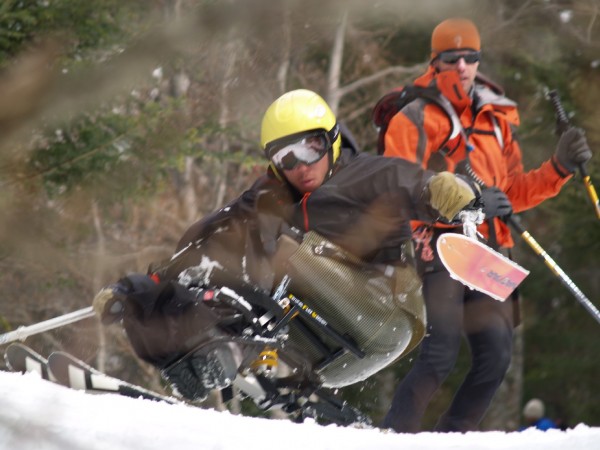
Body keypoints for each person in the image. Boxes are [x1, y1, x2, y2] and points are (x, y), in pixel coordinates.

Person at [92, 89, 481, 407]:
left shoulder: (369, 175)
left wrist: (447, 191)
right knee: (232, 239)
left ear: (331, 140)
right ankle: (195, 355)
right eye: (286, 157)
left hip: (384, 314)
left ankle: (234, 345)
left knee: (276, 248)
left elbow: (415, 185)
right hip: (325, 349)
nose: (301, 166)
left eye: (311, 148)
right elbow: (207, 240)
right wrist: (146, 286)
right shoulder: (271, 196)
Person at [377, 18, 592, 433]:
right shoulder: (416, 117)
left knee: (496, 357)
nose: (462, 66)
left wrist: (559, 167)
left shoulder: (495, 119)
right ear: (434, 61)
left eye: (470, 57)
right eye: (451, 58)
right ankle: (393, 437)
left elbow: (513, 192)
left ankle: (451, 437)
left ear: (479, 61)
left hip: (491, 250)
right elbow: (397, 187)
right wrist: (466, 202)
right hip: (442, 245)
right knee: (440, 352)